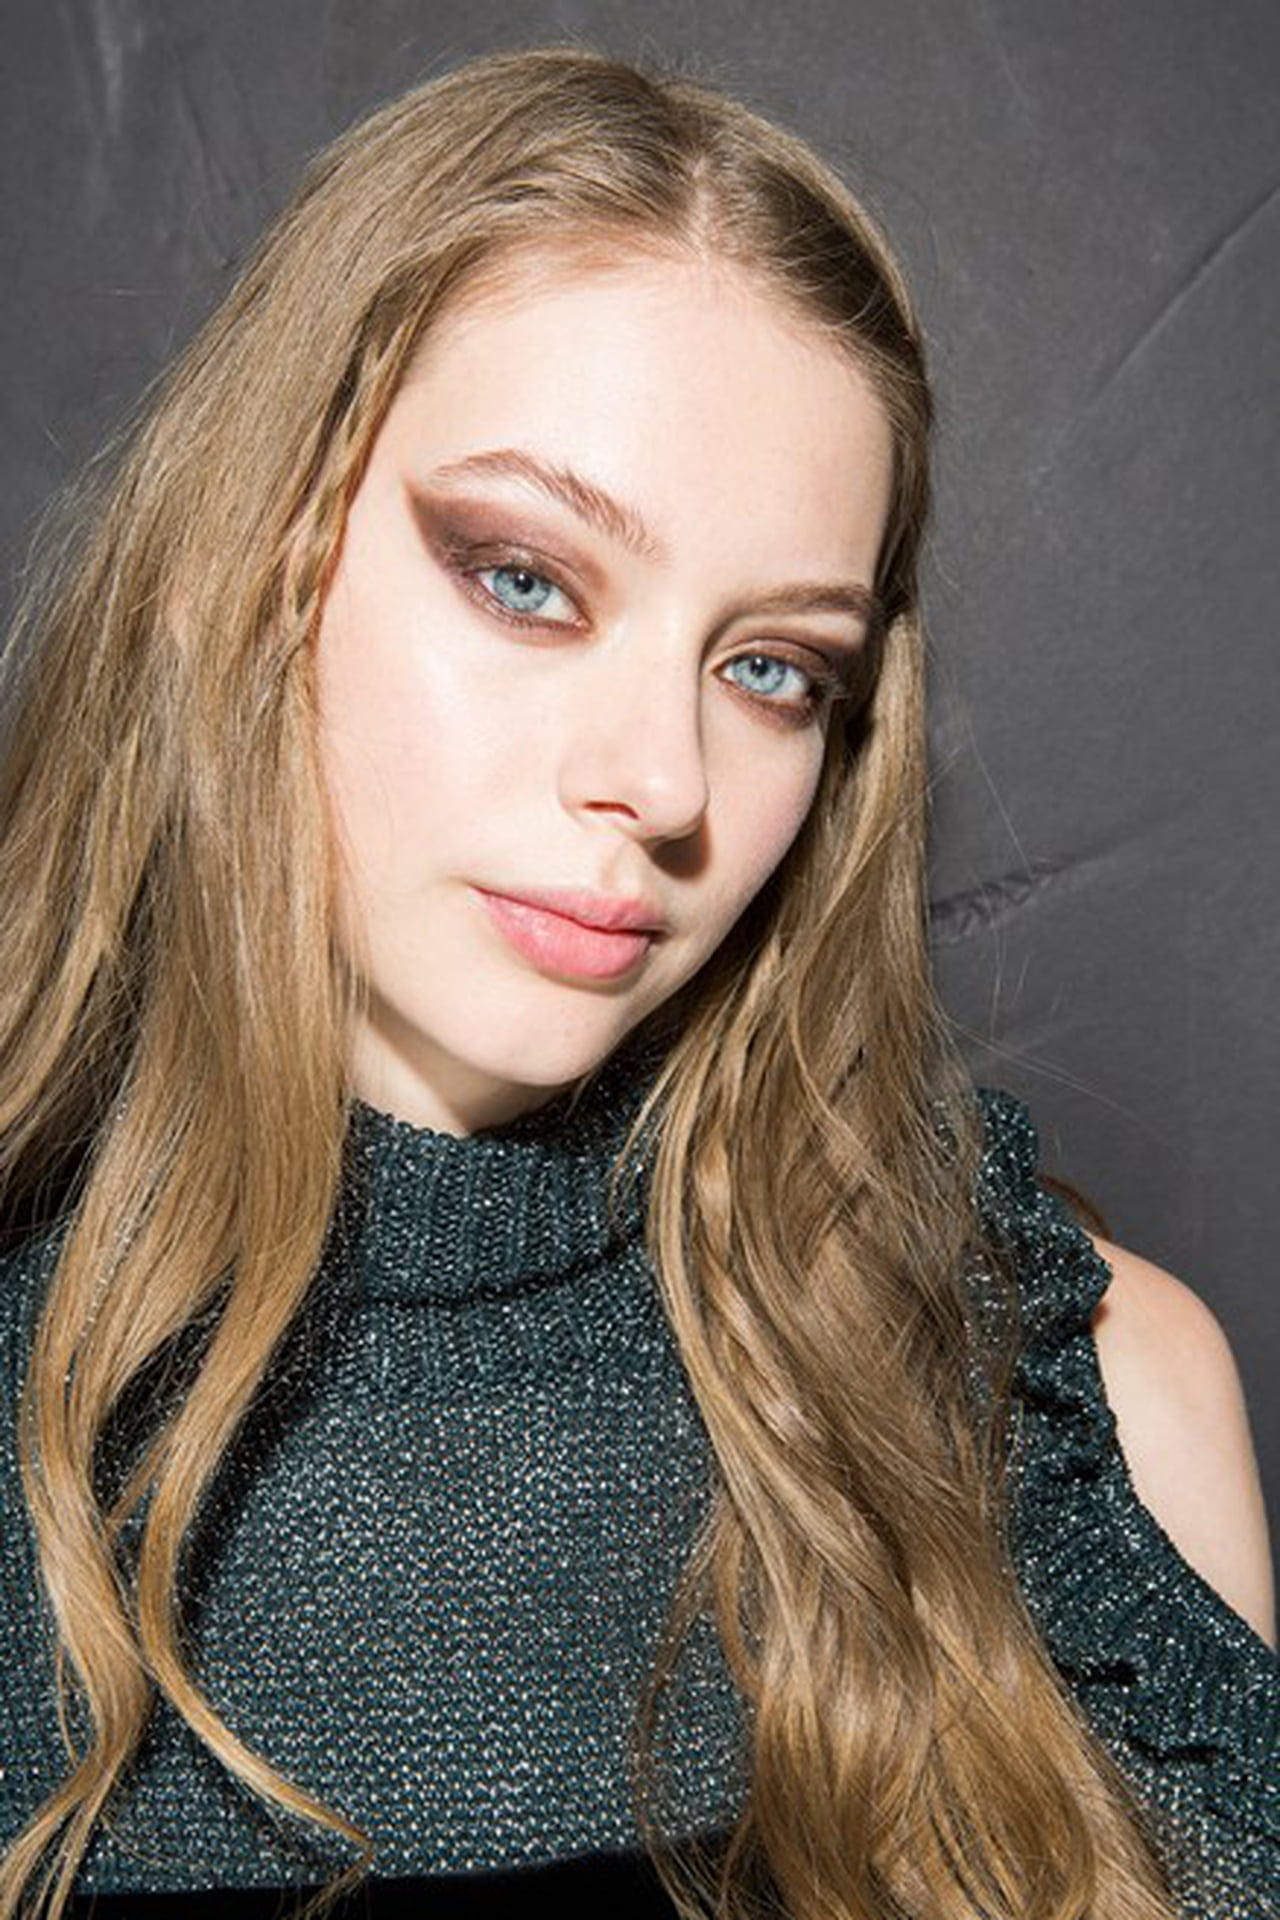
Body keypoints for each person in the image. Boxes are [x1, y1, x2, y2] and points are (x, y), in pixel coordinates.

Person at [0, 42, 1274, 1920]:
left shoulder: (1086, 1407)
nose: (666, 785)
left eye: (772, 669)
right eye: (526, 580)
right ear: (238, 565)